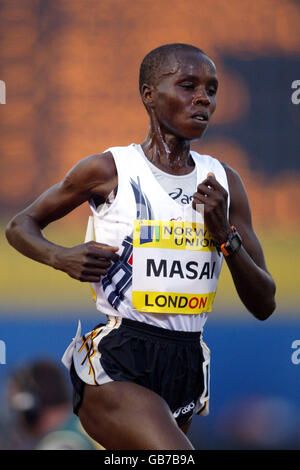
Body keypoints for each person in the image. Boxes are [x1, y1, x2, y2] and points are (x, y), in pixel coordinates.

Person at [5, 43, 276, 450]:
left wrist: (225, 237)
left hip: (186, 364)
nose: (204, 98)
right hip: (119, 359)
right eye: (188, 85)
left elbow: (264, 303)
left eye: (212, 89)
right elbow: (19, 225)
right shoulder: (110, 169)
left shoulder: (223, 182)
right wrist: (60, 257)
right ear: (149, 94)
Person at [2, 358, 99, 450]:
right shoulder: (90, 421)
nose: (17, 418)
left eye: (16, 409)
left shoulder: (58, 445)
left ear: (32, 408)